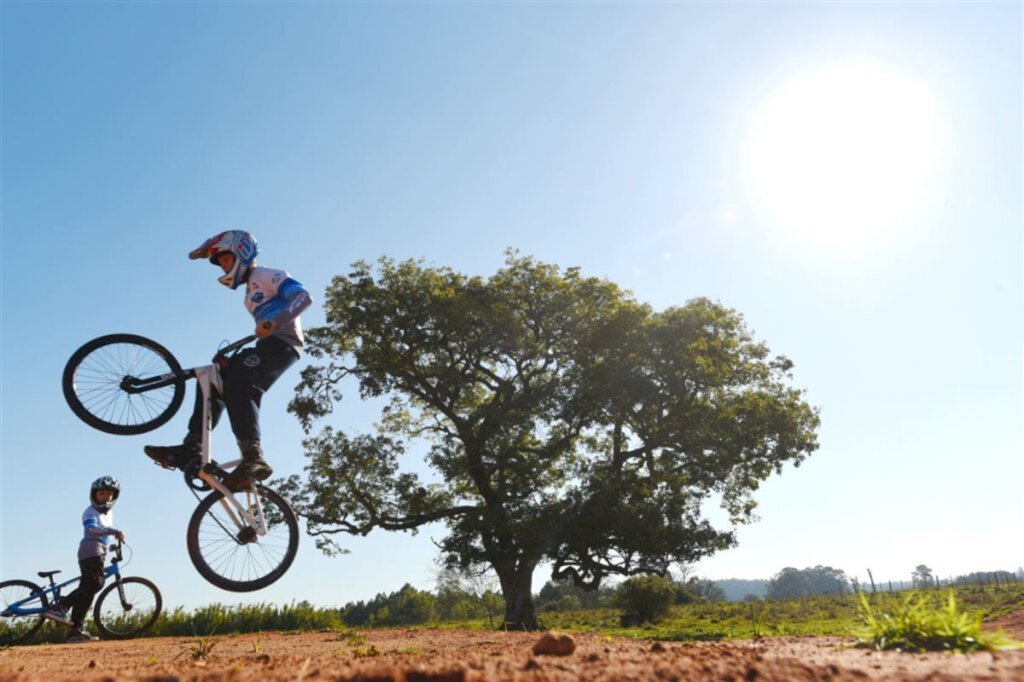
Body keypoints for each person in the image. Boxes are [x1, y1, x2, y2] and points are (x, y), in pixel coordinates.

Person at [144, 230, 313, 490]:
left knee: (239, 383)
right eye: (219, 262)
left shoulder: (265, 274)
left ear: (242, 252)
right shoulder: (248, 293)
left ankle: (253, 457)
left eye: (225, 259)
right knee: (212, 378)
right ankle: (192, 447)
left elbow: (303, 297)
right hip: (267, 345)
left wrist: (274, 321)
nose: (223, 266)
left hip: (284, 346)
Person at [45, 476, 125, 643]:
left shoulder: (109, 513)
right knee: (96, 583)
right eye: (101, 493)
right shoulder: (90, 511)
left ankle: (76, 631)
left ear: (114, 496)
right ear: (94, 495)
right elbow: (92, 529)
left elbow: (104, 532)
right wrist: (114, 531)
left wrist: (113, 543)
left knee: (87, 591)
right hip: (90, 550)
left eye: (108, 493)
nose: (105, 496)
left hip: (98, 551)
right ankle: (61, 606)